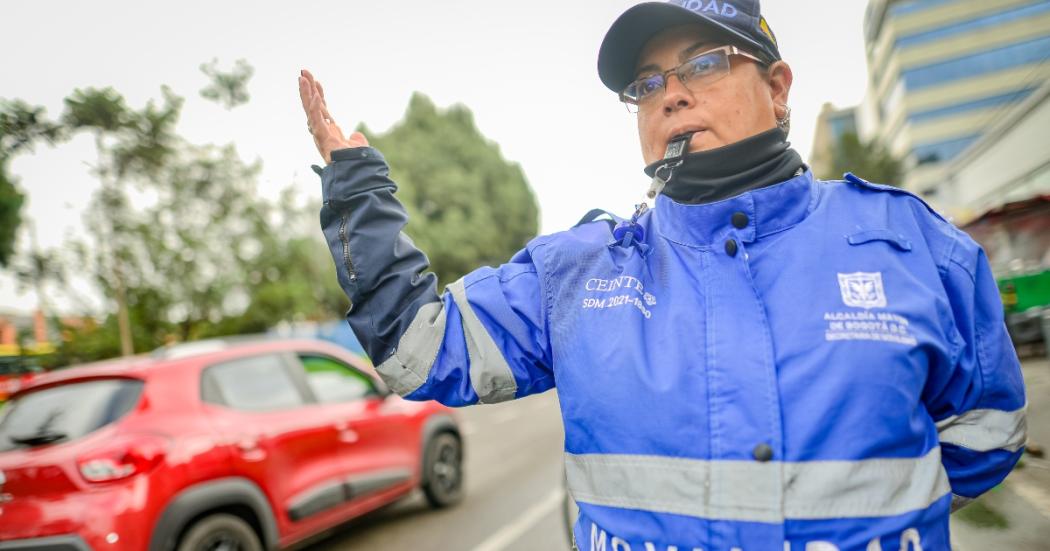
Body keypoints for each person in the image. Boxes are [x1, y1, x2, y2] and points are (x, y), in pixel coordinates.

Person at [298, 1, 1028, 550]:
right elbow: (417, 349)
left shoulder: (911, 242)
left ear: (778, 88)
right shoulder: (578, 272)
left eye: (704, 63)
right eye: (647, 84)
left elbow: (989, 434)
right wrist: (357, 189)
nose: (671, 94)